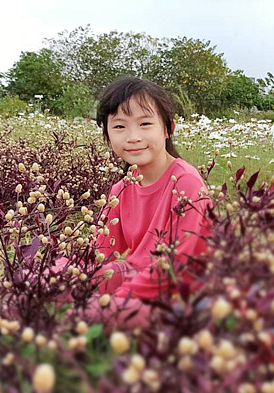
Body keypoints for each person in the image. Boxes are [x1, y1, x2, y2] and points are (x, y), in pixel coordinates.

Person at [76, 76, 214, 328]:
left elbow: (176, 266)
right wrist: (70, 278)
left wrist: (113, 301)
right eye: (119, 127)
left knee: (96, 312)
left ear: (168, 128)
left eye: (145, 123)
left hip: (182, 293)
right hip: (135, 278)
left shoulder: (186, 183)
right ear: (106, 134)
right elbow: (101, 254)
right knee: (52, 280)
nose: (133, 137)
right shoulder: (122, 188)